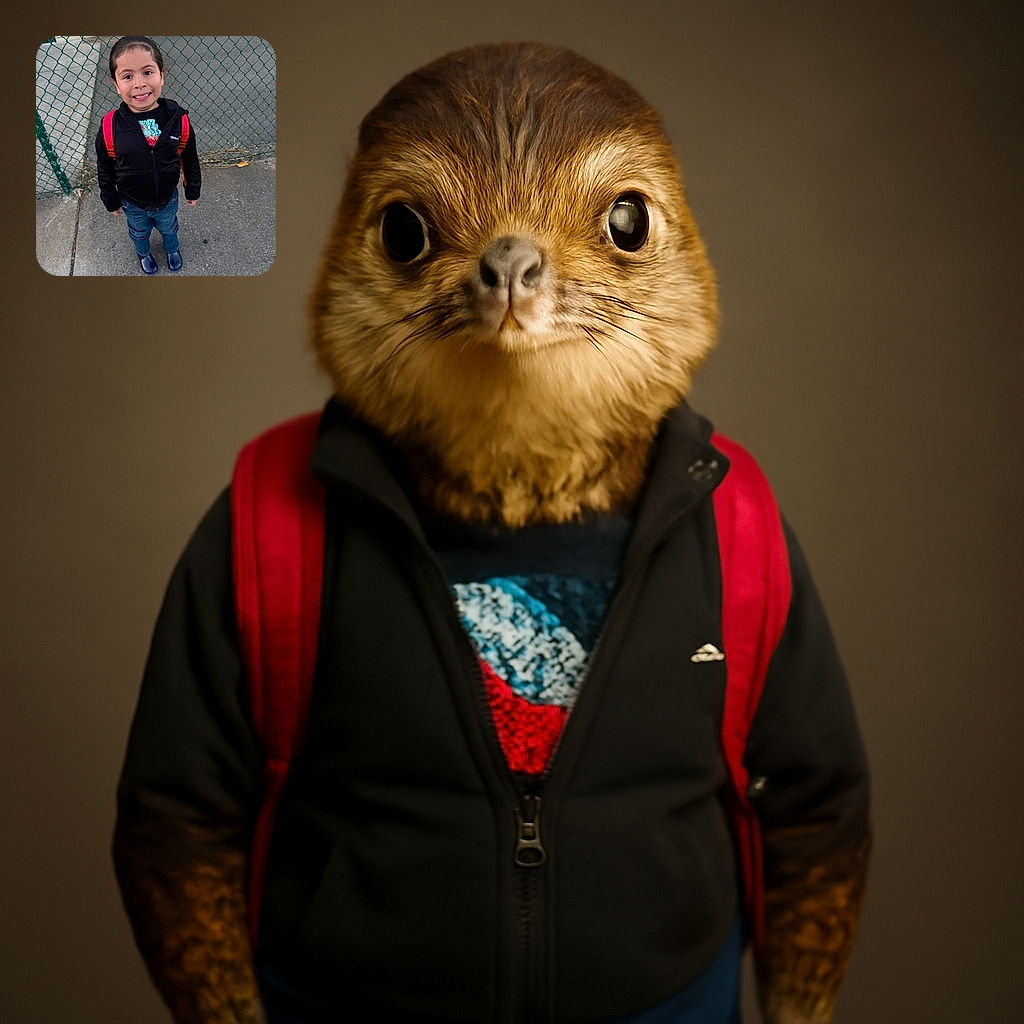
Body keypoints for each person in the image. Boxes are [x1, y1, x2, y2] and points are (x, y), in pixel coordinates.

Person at [95, 36, 201, 274]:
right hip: (132, 202)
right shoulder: (110, 127)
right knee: (138, 232)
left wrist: (193, 188)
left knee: (170, 228)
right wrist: (109, 198)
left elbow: (190, 158)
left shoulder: (178, 119)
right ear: (116, 84)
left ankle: (172, 249)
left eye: (147, 72)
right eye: (128, 76)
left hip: (167, 198)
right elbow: (105, 167)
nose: (139, 84)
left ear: (162, 74)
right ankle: (143, 253)